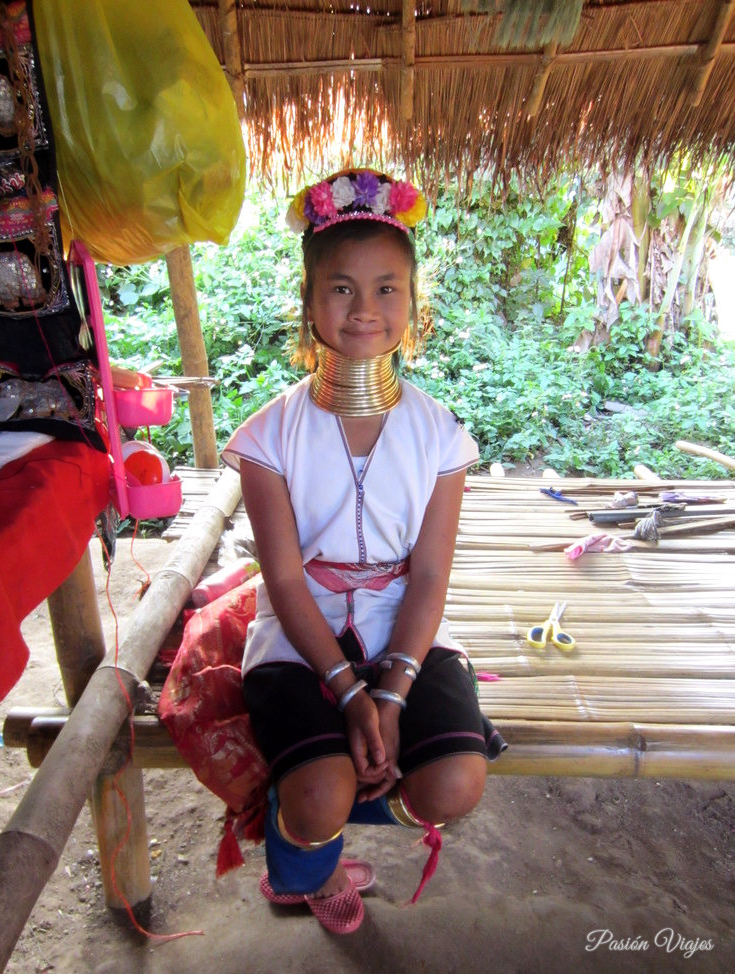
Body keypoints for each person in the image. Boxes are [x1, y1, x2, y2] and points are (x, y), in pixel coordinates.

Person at [221, 168, 504, 935]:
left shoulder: (440, 436)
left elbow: (431, 574)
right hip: (300, 631)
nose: (365, 309)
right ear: (308, 302)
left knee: (453, 784)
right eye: (341, 288)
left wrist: (393, 693)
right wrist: (350, 692)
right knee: (316, 799)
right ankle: (310, 857)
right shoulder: (266, 439)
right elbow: (281, 577)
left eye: (388, 289)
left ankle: (349, 790)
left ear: (413, 307)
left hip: (401, 622)